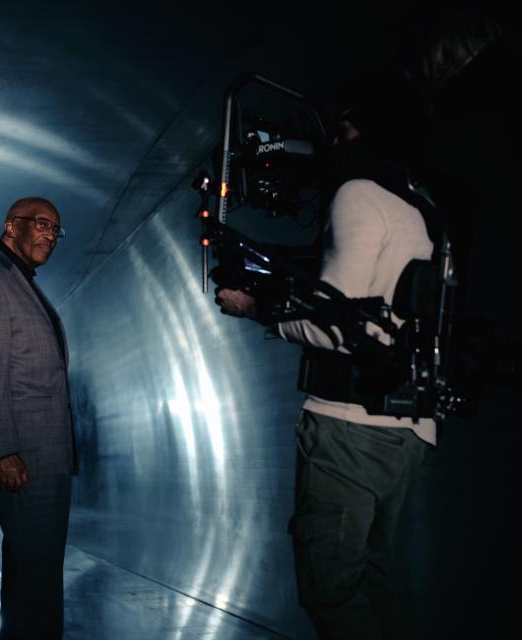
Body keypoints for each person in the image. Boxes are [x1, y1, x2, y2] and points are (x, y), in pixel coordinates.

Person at [216, 73, 434, 640]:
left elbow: (340, 328)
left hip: (349, 428)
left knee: (331, 593)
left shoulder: (358, 194)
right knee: (371, 585)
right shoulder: (421, 207)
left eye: (344, 130)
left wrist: (253, 309)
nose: (335, 144)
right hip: (408, 429)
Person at [0, 196, 76, 639]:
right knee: (39, 584)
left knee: (31, 580)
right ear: (11, 225)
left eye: (55, 230)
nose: (49, 235)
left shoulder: (20, 282)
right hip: (23, 458)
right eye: (41, 224)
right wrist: (3, 450)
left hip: (42, 456)